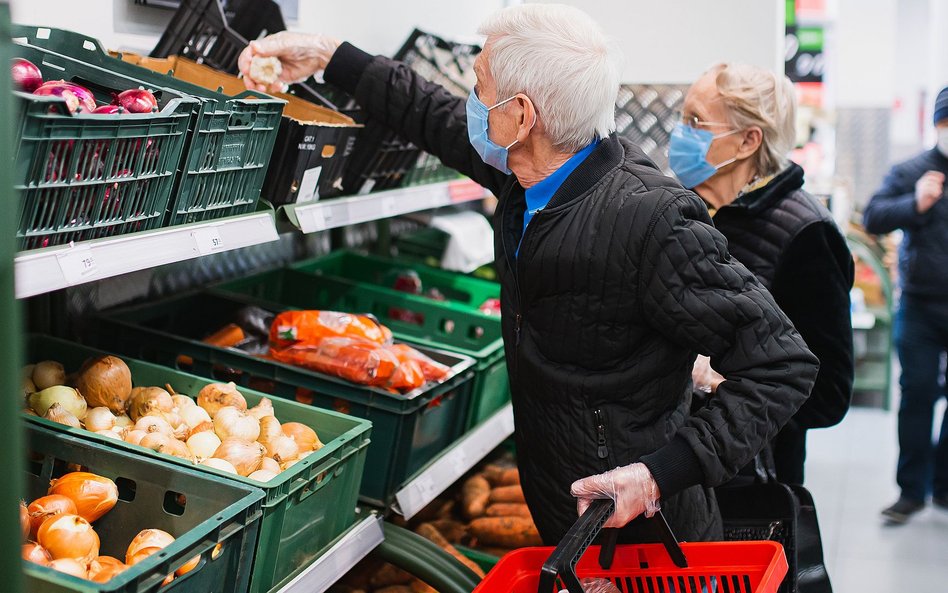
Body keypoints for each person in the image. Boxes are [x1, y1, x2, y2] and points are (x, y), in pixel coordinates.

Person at [239, 4, 819, 544]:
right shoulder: (529, 176)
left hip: (644, 539)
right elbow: (429, 111)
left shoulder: (651, 219)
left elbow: (783, 365)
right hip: (566, 521)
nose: (468, 99)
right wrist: (328, 54)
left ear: (521, 115)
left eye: (479, 88)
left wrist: (657, 475)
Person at [673, 63, 855, 486]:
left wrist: (716, 382)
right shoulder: (684, 210)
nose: (680, 133)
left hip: (750, 479)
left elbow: (828, 394)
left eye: (696, 121)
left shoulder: (808, 235)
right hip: (674, 468)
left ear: (748, 140)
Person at [863, 86, 948, 524]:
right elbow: (874, 215)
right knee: (917, 393)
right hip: (920, 305)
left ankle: (944, 485)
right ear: (937, 125)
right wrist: (915, 203)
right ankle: (910, 490)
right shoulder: (913, 170)